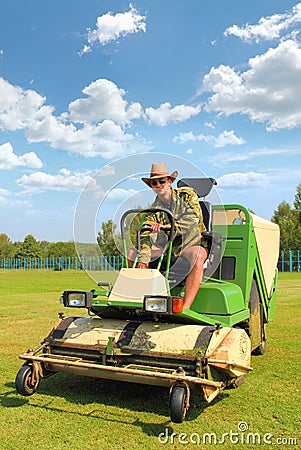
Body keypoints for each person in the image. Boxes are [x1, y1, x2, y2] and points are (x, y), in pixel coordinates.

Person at [128, 162, 208, 309]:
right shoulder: (154, 210)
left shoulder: (187, 195)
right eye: (154, 182)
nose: (158, 185)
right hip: (166, 247)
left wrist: (165, 227)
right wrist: (144, 258)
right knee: (133, 252)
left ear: (170, 181)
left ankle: (185, 307)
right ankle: (137, 299)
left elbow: (192, 220)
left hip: (188, 244)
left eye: (162, 181)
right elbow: (145, 233)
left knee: (198, 256)